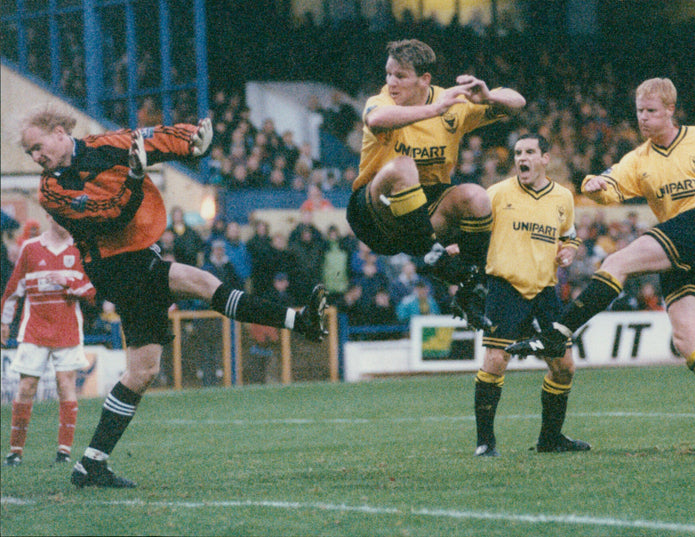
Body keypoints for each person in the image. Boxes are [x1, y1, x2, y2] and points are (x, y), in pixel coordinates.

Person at [20, 104, 328, 488]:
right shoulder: (52, 191)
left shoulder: (102, 145)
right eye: (30, 152)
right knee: (201, 283)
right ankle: (301, 322)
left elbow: (150, 139)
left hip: (134, 259)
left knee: (142, 372)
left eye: (37, 146)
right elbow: (112, 215)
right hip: (115, 268)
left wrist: (191, 140)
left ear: (59, 133)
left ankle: (91, 463)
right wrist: (135, 174)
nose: (36, 157)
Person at [506, 78, 695, 461]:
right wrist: (594, 183)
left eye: (651, 111)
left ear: (670, 110)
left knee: (616, 262)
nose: (644, 119)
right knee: (687, 339)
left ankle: (559, 332)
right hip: (683, 241)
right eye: (639, 112)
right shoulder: (639, 159)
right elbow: (612, 186)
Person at [346, 38, 525, 331]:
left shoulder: (452, 104)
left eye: (400, 76)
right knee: (404, 165)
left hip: (424, 214)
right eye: (388, 74)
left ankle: (470, 287)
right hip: (374, 212)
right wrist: (434, 110)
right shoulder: (382, 102)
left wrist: (488, 96)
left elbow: (518, 104)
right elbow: (376, 119)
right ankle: (435, 255)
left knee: (477, 196)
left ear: (424, 79)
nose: (391, 82)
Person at [474, 134, 589, 457]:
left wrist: (568, 251)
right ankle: (485, 442)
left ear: (544, 159)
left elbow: (570, 236)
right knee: (496, 360)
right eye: (517, 153)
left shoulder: (563, 197)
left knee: (564, 366)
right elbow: (473, 231)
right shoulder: (496, 194)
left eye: (529, 152)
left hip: (544, 290)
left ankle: (550, 439)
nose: (521, 158)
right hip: (505, 287)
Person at [1, 215, 96, 466]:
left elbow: (92, 291)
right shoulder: (30, 248)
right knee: (26, 387)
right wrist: (4, 321)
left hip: (68, 329)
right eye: (59, 215)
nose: (64, 220)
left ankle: (63, 452)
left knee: (66, 385)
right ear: (49, 216)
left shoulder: (80, 248)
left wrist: (70, 282)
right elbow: (13, 288)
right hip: (35, 329)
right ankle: (15, 451)